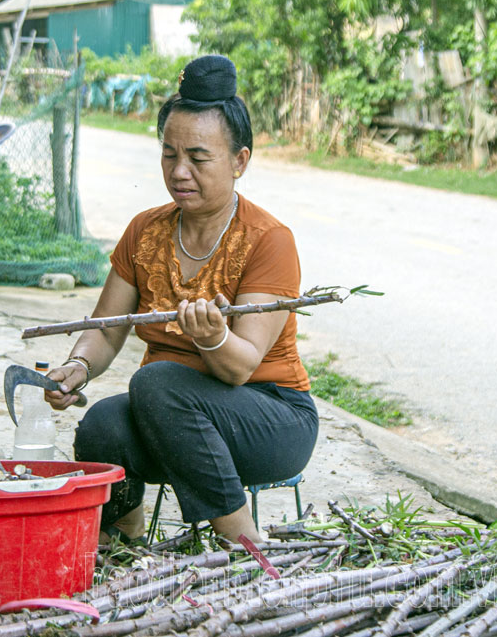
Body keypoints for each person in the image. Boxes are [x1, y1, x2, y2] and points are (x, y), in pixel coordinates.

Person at [45, 54, 318, 544]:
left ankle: (242, 539)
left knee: (155, 382)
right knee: (102, 425)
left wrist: (213, 339)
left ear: (239, 161)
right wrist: (78, 366)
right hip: (173, 416)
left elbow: (240, 368)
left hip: (270, 419)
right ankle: (125, 535)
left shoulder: (268, 240)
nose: (180, 171)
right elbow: (107, 328)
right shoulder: (145, 231)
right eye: (169, 154)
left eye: (198, 157)